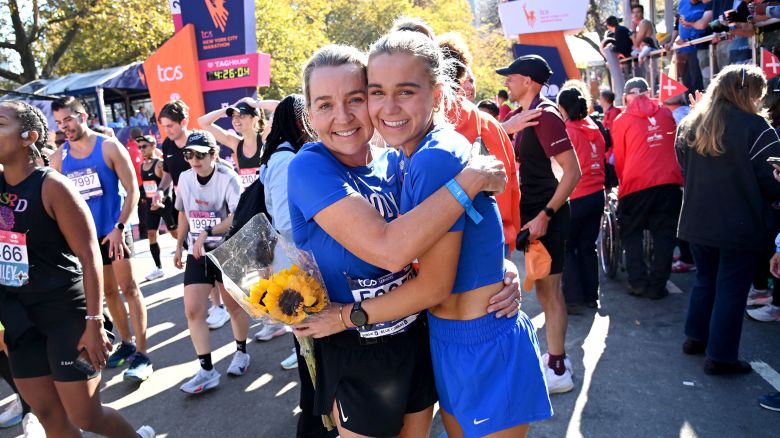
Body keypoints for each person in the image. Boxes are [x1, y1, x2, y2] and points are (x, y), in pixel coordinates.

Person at [287, 44, 523, 438]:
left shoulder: (395, 162)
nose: (342, 117)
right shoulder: (309, 167)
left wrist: (498, 270)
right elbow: (390, 249)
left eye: (356, 99)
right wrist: (471, 179)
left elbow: (444, 235)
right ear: (309, 115)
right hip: (352, 348)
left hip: (416, 338)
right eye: (325, 105)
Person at [0, 100, 154, 437]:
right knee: (47, 414)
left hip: (65, 314)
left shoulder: (53, 186)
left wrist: (94, 322)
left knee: (86, 415)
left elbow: (89, 256)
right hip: (17, 317)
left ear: (29, 136)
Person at [677, 65, 780, 374]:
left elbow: (684, 166)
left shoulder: (690, 124)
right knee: (731, 289)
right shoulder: (757, 128)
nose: (761, 102)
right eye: (759, 96)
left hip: (696, 219)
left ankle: (695, 338)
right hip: (740, 223)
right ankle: (721, 357)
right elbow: (773, 181)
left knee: (706, 280)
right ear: (746, 94)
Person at [50, 96, 153, 382]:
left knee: (129, 288)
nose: (64, 127)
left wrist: (120, 227)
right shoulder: (59, 158)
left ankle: (142, 355)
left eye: (68, 120)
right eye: (58, 123)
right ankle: (126, 342)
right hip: (87, 241)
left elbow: (133, 190)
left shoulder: (108, 146)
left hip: (114, 231)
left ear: (83, 116)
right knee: (107, 294)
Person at [497, 54, 581, 394]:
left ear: (529, 81)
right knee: (546, 292)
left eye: (511, 77)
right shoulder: (525, 116)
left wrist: (545, 214)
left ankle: (558, 367)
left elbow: (573, 172)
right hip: (533, 216)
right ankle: (555, 358)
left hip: (546, 217)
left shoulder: (546, 117)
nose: (506, 82)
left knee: (550, 291)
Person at [173, 131, 251, 393]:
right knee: (193, 310)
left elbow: (236, 217)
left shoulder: (227, 178)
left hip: (227, 249)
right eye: (188, 154)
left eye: (199, 154)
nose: (193, 159)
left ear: (213, 154)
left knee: (233, 308)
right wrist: (177, 245)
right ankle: (207, 370)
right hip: (198, 252)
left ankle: (241, 352)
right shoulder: (184, 178)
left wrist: (208, 230)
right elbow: (183, 212)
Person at [155, 100, 230, 330]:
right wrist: (160, 190)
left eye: (171, 126)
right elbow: (168, 175)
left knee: (209, 255)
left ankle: (220, 306)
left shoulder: (199, 142)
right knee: (194, 252)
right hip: (185, 208)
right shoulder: (167, 145)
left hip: (211, 208)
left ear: (184, 122)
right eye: (164, 126)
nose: (168, 131)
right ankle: (216, 304)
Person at [611, 78, 683, 300]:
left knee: (631, 233)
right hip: (669, 182)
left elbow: (620, 159)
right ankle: (657, 285)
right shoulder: (665, 114)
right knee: (665, 235)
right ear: (649, 92)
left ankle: (638, 282)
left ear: (626, 97)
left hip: (636, 184)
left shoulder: (621, 120)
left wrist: (624, 182)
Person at [557, 88, 606, 313]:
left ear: (563, 108)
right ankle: (591, 296)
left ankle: (574, 298)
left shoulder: (568, 131)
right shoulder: (594, 128)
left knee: (568, 248)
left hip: (576, 195)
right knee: (588, 247)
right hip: (597, 193)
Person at [197, 97, 279, 190]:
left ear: (254, 119)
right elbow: (203, 122)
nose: (236, 120)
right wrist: (230, 108)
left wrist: (254, 104)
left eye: (241, 116)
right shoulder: (235, 144)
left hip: (267, 200)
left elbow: (279, 106)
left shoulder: (264, 139)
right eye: (233, 116)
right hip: (248, 201)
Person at [137, 135, 178, 280]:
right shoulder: (142, 165)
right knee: (151, 235)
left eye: (144, 146)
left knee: (175, 233)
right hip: (150, 205)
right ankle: (158, 268)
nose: (141, 150)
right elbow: (147, 186)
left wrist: (163, 199)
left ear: (153, 146)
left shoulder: (160, 164)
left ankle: (192, 253)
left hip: (164, 204)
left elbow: (168, 183)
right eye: (139, 147)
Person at [601, 16, 633, 103]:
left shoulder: (619, 31)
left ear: (608, 25)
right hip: (628, 58)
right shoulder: (622, 29)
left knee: (627, 80)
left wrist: (613, 48)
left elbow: (620, 46)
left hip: (627, 59)